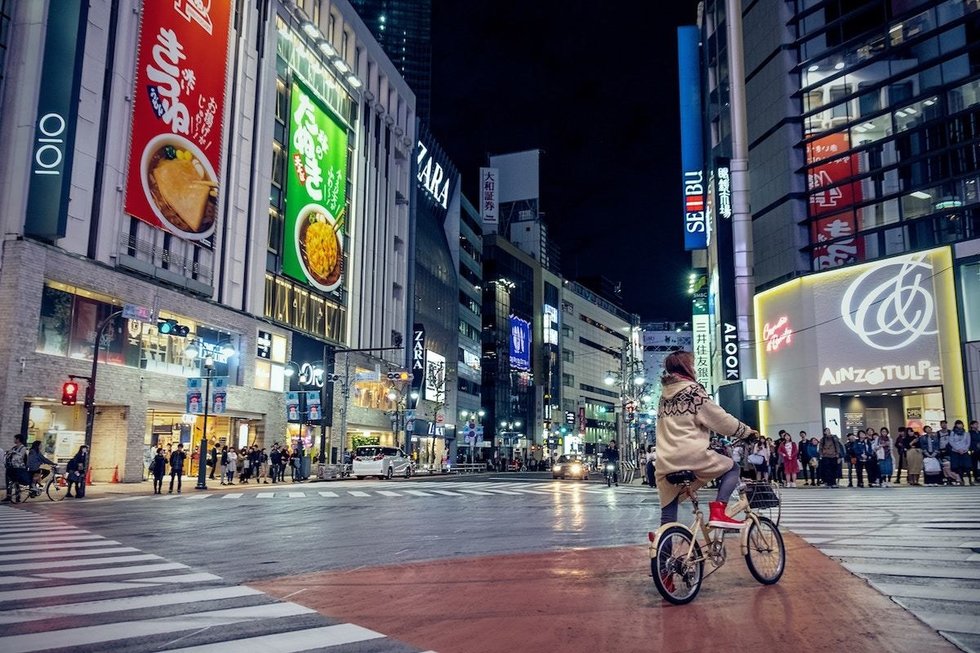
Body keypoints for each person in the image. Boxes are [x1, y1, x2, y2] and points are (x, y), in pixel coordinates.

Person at [655, 351, 759, 531]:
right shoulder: (692, 391)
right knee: (731, 467)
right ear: (686, 367)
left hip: (665, 461)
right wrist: (747, 432)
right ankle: (719, 511)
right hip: (692, 456)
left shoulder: (663, 397)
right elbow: (720, 419)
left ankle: (664, 551)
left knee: (668, 510)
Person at [4, 434, 29, 500]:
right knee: (8, 481)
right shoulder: (14, 447)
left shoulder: (23, 448)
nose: (14, 440)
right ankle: (8, 496)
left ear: (18, 439)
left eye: (15, 438)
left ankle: (18, 497)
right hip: (10, 466)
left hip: (18, 468)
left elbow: (20, 456)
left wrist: (13, 452)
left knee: (16, 482)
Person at [949, 420, 971, 485]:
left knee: (967, 466)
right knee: (959, 467)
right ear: (955, 425)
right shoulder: (952, 433)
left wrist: (964, 449)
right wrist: (958, 449)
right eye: (958, 424)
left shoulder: (966, 433)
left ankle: (970, 480)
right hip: (956, 452)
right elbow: (951, 442)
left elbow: (968, 443)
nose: (959, 425)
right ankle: (961, 480)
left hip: (964, 451)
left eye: (961, 424)